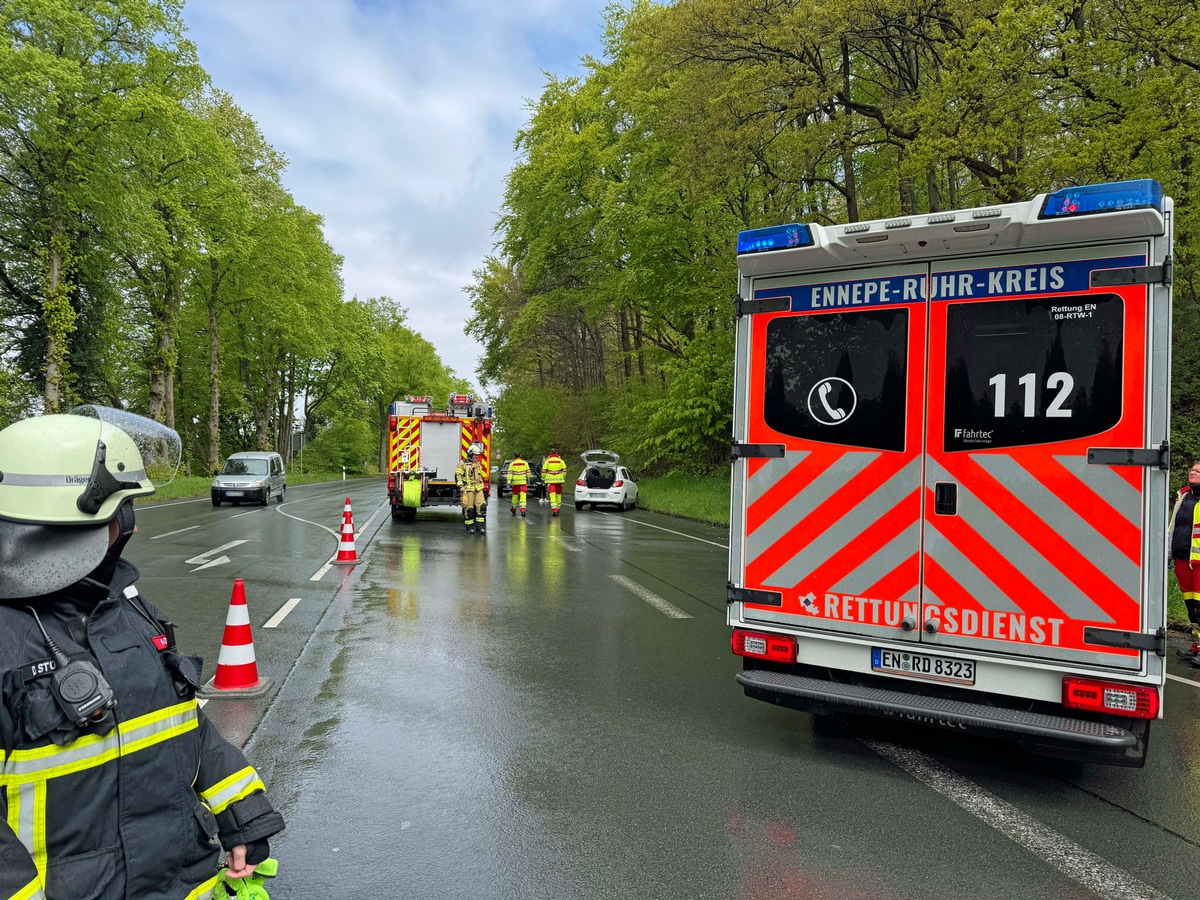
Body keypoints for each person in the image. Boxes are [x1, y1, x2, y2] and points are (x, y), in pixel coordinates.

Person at [0, 408, 284, 900]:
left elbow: (182, 723)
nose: (129, 525)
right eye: (121, 510)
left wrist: (242, 812)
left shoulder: (124, 606)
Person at [1170, 460, 1200, 664]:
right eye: (1192, 469)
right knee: (1191, 608)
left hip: (1198, 563)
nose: (1193, 472)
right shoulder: (1183, 496)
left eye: (1198, 471)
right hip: (1182, 560)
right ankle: (1196, 646)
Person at [455, 442, 488, 535]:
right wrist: (461, 486)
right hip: (467, 489)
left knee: (481, 507)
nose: (477, 457)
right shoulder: (462, 463)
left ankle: (480, 528)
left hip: (478, 489)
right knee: (469, 509)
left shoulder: (477, 463)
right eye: (475, 455)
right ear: (470, 453)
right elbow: (458, 475)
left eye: (477, 455)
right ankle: (469, 528)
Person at [541, 449, 568, 517]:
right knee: (558, 494)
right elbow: (564, 470)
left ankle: (554, 509)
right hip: (559, 481)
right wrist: (563, 476)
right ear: (557, 453)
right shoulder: (561, 461)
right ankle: (558, 508)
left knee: (552, 495)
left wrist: (543, 478)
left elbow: (544, 471)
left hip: (551, 481)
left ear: (550, 453)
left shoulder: (547, 461)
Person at [507, 453, 531, 517]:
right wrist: (528, 479)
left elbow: (510, 474)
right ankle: (523, 510)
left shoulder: (512, 464)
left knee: (515, 496)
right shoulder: (525, 463)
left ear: (514, 457)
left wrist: (508, 482)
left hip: (515, 484)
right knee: (523, 497)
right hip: (523, 483)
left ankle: (514, 509)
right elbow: (528, 473)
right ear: (520, 456)